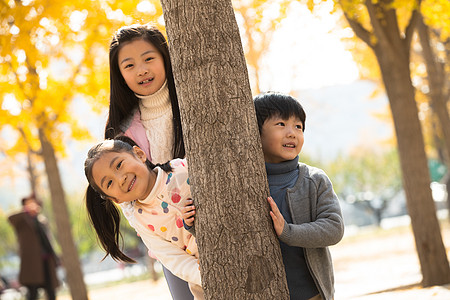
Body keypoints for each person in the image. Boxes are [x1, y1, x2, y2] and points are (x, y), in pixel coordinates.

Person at [183, 92, 344, 300]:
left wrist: (288, 232)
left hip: (311, 294)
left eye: (298, 127)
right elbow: (226, 233)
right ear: (255, 132)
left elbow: (334, 228)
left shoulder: (314, 180)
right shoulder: (240, 183)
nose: (292, 133)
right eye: (281, 124)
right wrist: (193, 224)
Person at [104, 22, 191, 299]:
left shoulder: (193, 101)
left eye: (149, 59)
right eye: (128, 66)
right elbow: (128, 198)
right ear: (119, 75)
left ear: (165, 57)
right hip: (170, 237)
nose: (141, 70)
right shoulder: (122, 132)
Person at [84, 138, 203, 300]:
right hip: (203, 279)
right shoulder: (142, 221)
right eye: (110, 183)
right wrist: (206, 276)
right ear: (115, 200)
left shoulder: (181, 168)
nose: (120, 179)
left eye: (119, 165)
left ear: (139, 154)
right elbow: (173, 259)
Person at [8, 195, 60, 300]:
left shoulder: (41, 220)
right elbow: (10, 218)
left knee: (51, 291)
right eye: (29, 203)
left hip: (46, 261)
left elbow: (48, 241)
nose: (32, 205)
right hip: (31, 263)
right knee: (32, 292)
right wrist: (26, 211)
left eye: (33, 203)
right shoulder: (22, 221)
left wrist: (55, 257)